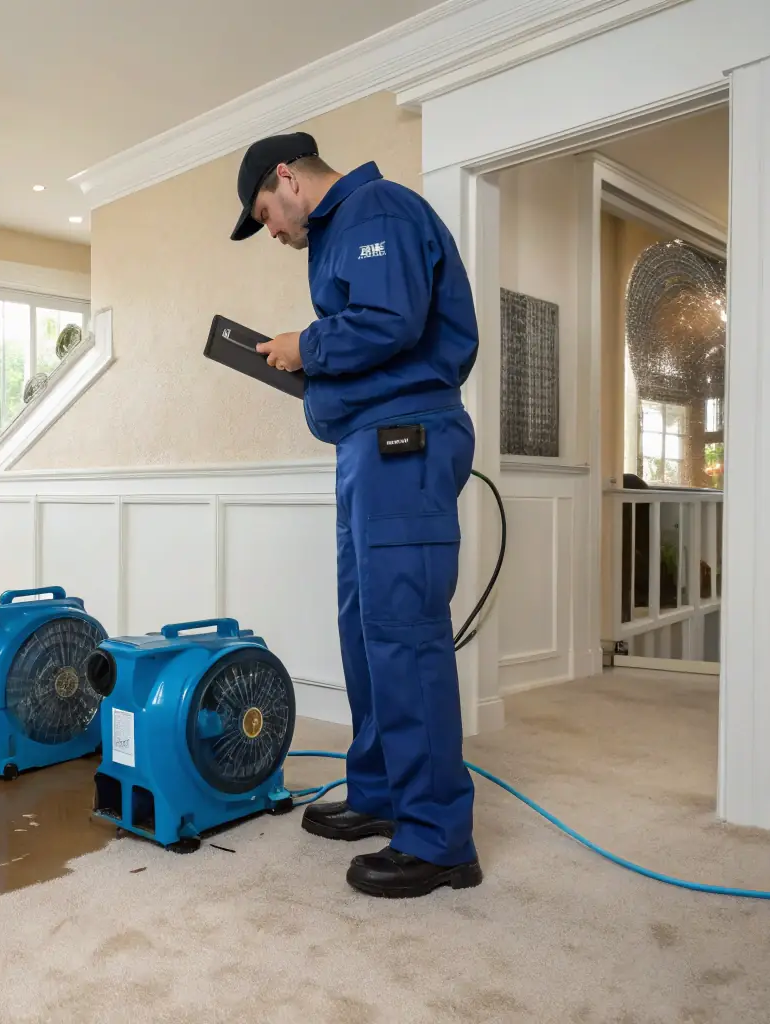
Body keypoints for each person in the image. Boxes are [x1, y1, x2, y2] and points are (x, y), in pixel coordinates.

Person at [229, 132, 482, 898]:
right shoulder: (340, 232)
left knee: (403, 634)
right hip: (369, 447)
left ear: (287, 179)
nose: (270, 230)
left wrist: (302, 344)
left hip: (406, 442)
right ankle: (378, 792)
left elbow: (389, 322)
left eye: (265, 212)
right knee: (363, 624)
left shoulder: (376, 210)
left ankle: (438, 837)